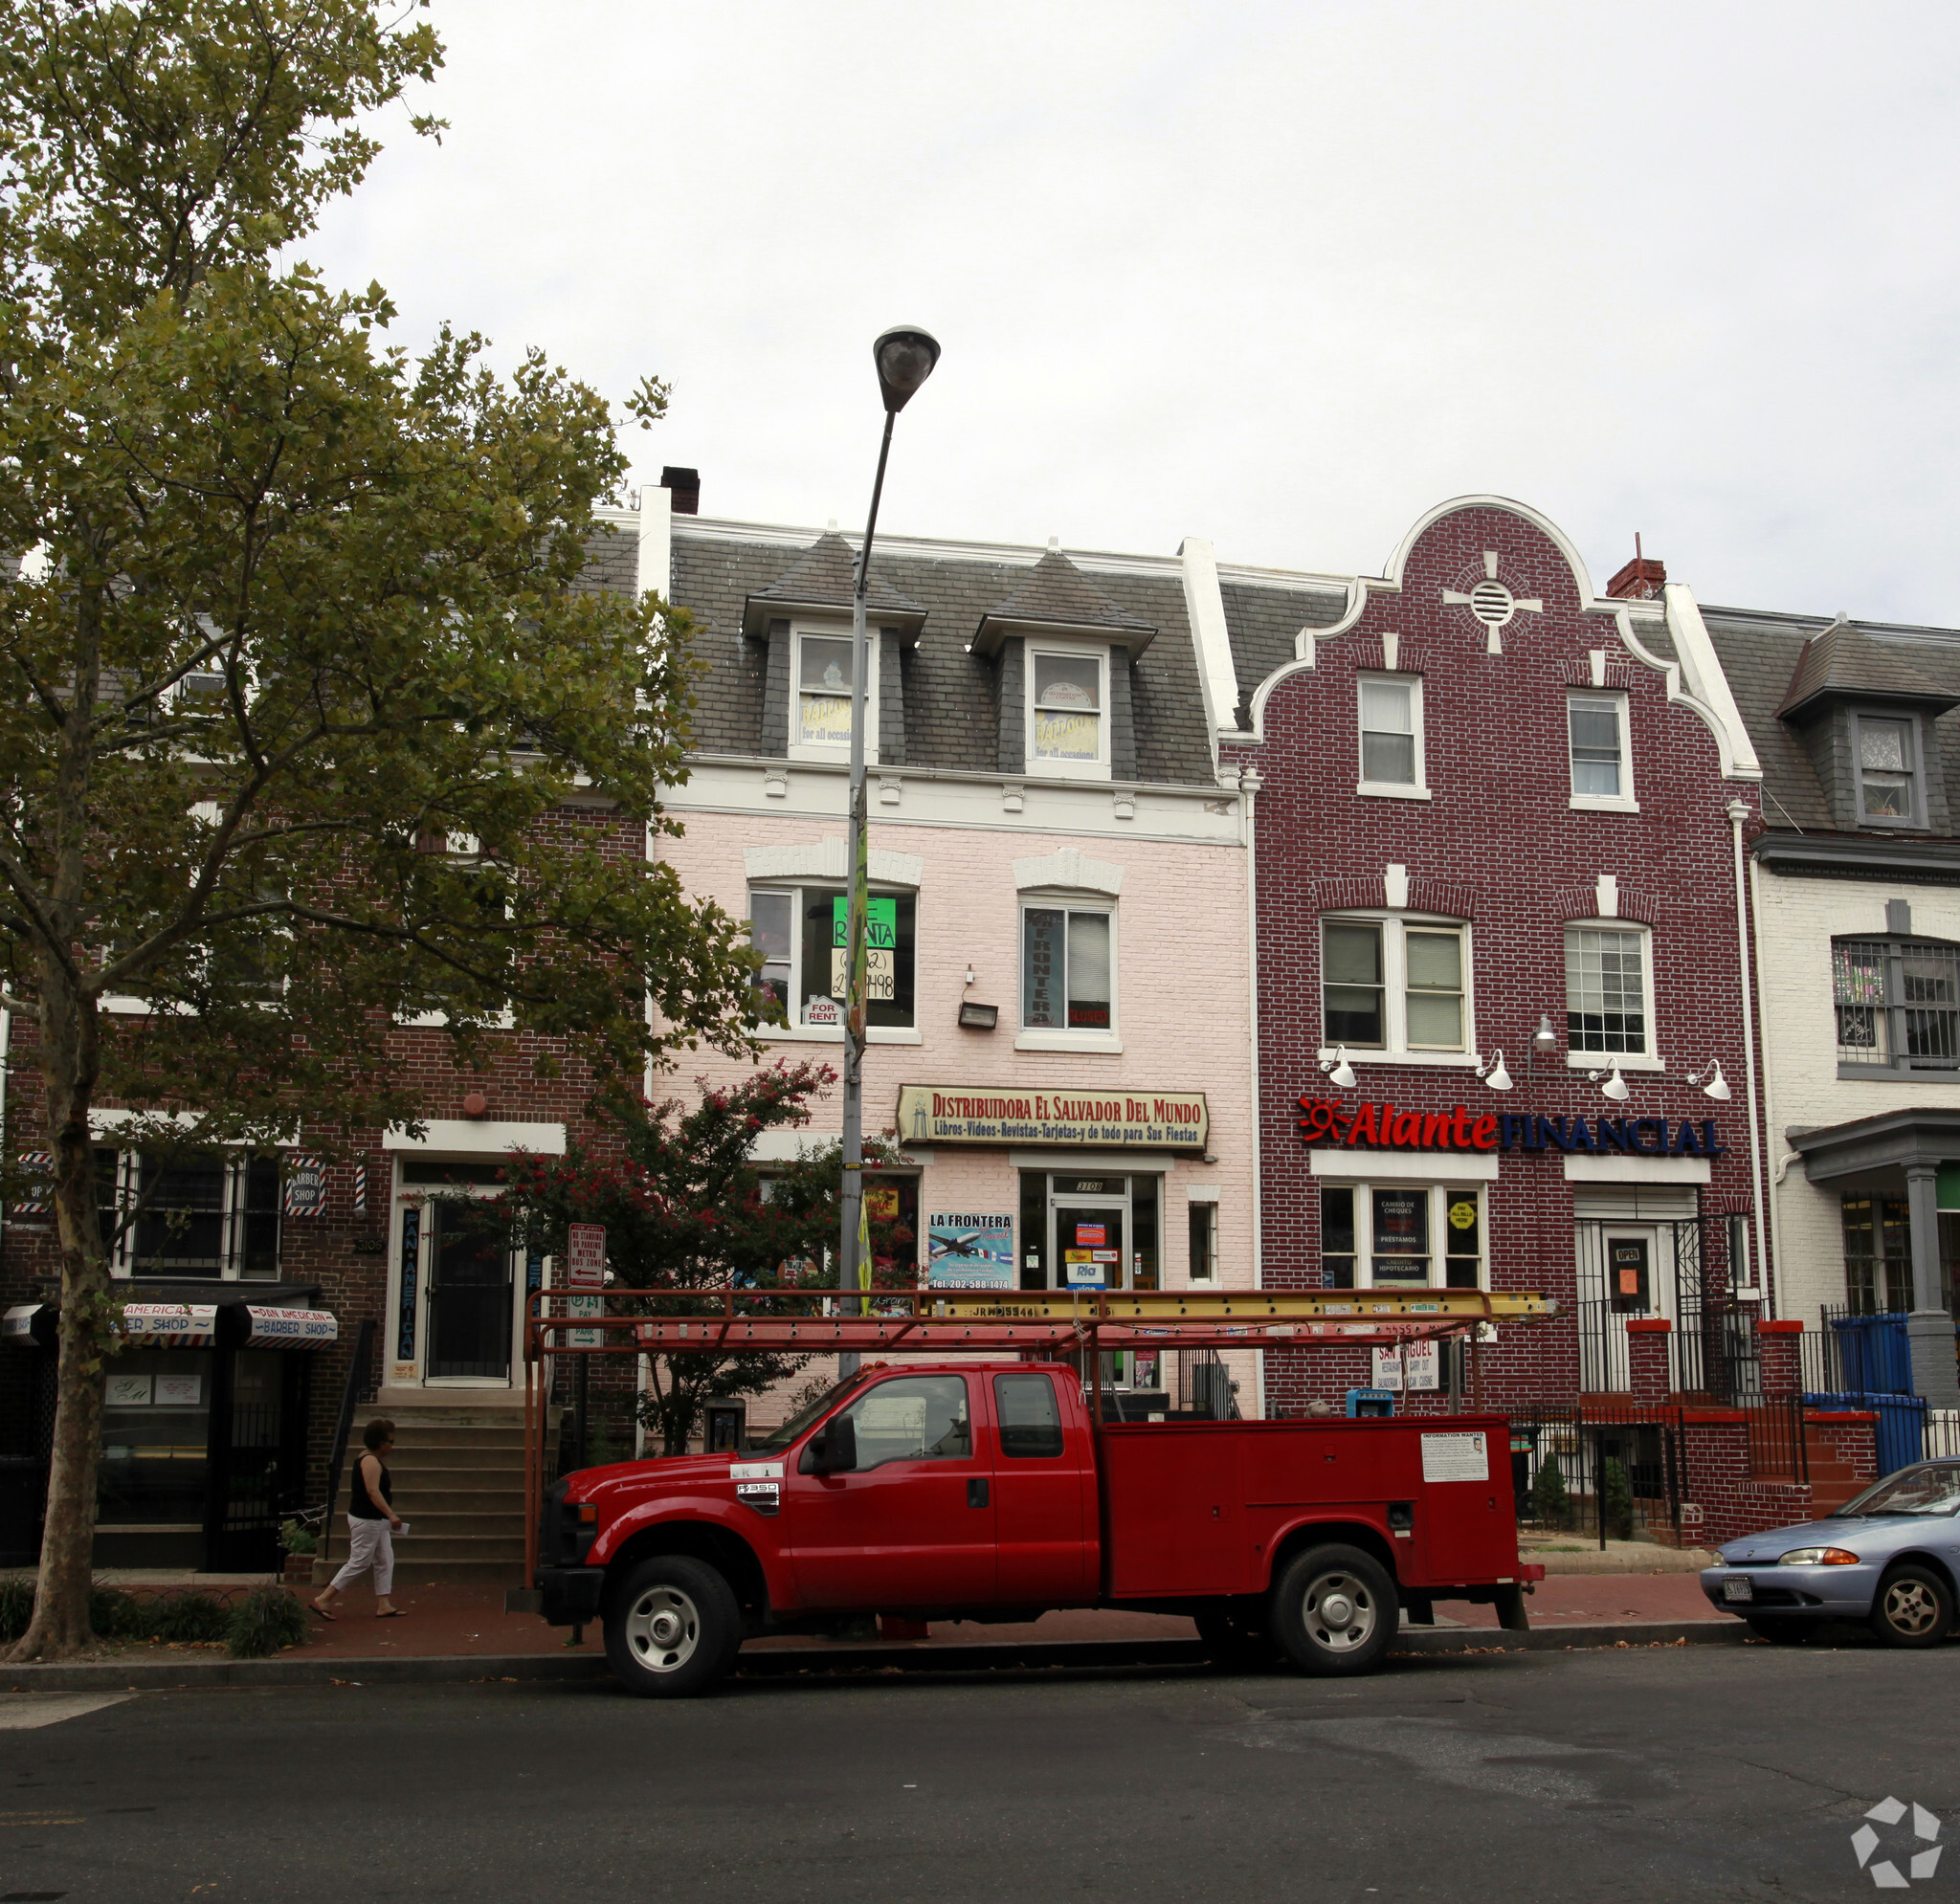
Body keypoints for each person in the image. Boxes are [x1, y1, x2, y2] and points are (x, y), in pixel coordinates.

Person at [313, 1418, 404, 1620]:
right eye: (391, 1441)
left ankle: (384, 1603)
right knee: (360, 1561)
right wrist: (391, 1514)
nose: (392, 1445)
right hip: (368, 1520)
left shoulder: (368, 1457)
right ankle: (325, 1598)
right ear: (381, 1443)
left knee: (385, 1559)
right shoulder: (370, 1461)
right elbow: (373, 1491)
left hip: (375, 1520)